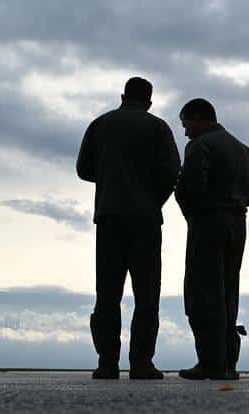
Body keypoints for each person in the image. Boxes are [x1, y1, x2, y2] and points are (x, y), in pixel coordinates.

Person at [76, 77, 181, 380]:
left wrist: (112, 179)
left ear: (122, 96)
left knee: (107, 294)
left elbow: (84, 170)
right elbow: (173, 171)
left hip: (108, 218)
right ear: (149, 102)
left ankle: (107, 362)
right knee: (147, 296)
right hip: (146, 221)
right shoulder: (158, 128)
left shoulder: (100, 124)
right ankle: (142, 364)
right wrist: (153, 198)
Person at [174, 98, 249, 380]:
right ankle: (228, 361)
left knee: (202, 292)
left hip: (207, 223)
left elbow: (191, 188)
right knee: (228, 292)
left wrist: (194, 210)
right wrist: (234, 202)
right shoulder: (241, 148)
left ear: (198, 118)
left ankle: (211, 362)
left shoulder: (200, 146)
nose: (186, 132)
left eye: (186, 124)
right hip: (237, 223)